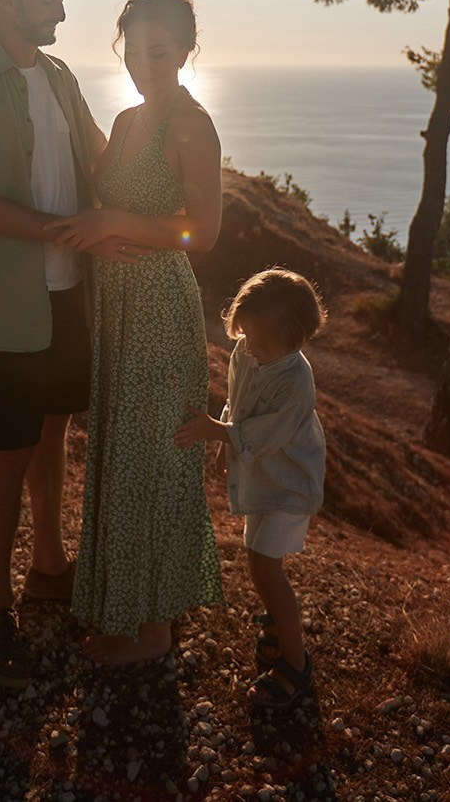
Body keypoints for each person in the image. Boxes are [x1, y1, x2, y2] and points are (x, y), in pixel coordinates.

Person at [0, 0, 138, 689]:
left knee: (55, 429)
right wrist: (65, 230)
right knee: (9, 452)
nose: (59, 8)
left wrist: (158, 145)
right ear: (6, 0)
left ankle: (48, 566)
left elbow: (102, 156)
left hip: (66, 294)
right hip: (5, 301)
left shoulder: (59, 77)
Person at [44, 0, 224, 664]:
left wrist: (116, 223)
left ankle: (151, 631)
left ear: (185, 51)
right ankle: (127, 611)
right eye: (135, 50)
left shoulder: (192, 125)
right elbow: (96, 199)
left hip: (160, 308)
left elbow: (201, 233)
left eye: (161, 50)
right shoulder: (123, 123)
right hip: (113, 305)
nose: (146, 63)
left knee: (154, 458)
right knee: (120, 456)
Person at [175, 267, 326, 709]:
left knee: (264, 565)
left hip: (291, 482)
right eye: (246, 337)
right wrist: (227, 437)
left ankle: (296, 665)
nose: (250, 347)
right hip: (264, 475)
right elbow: (237, 402)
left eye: (260, 342)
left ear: (296, 339)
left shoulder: (297, 382)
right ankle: (278, 626)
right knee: (257, 557)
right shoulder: (247, 352)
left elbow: (267, 433)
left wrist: (220, 434)